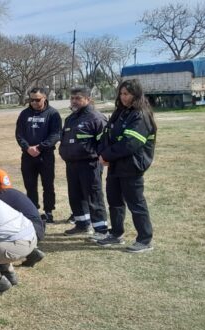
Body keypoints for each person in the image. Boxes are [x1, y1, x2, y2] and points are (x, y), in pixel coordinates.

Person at [96, 79, 157, 253]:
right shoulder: (120, 112)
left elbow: (130, 143)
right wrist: (103, 153)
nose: (123, 97)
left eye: (127, 94)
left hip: (132, 166)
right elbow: (106, 134)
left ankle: (144, 240)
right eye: (121, 94)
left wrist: (107, 155)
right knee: (114, 201)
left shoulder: (141, 115)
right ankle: (116, 234)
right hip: (115, 165)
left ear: (136, 94)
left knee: (136, 203)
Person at [59, 86, 109, 239]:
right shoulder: (70, 118)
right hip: (72, 164)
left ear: (88, 99)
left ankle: (101, 230)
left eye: (78, 98)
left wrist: (103, 158)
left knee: (93, 196)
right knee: (75, 195)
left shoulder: (96, 118)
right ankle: (82, 224)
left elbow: (104, 142)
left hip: (90, 164)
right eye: (72, 98)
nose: (74, 101)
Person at [16, 87, 62, 222]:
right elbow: (19, 134)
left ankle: (48, 211)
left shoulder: (52, 114)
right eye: (31, 100)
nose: (34, 103)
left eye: (37, 100)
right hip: (28, 156)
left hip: (45, 155)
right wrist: (27, 147)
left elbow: (56, 134)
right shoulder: (24, 114)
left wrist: (40, 147)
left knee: (48, 185)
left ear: (45, 98)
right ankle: (33, 211)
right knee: (30, 185)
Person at [0, 177, 46, 267]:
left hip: (32, 231)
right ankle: (31, 252)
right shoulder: (7, 193)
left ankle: (2, 265)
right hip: (37, 229)